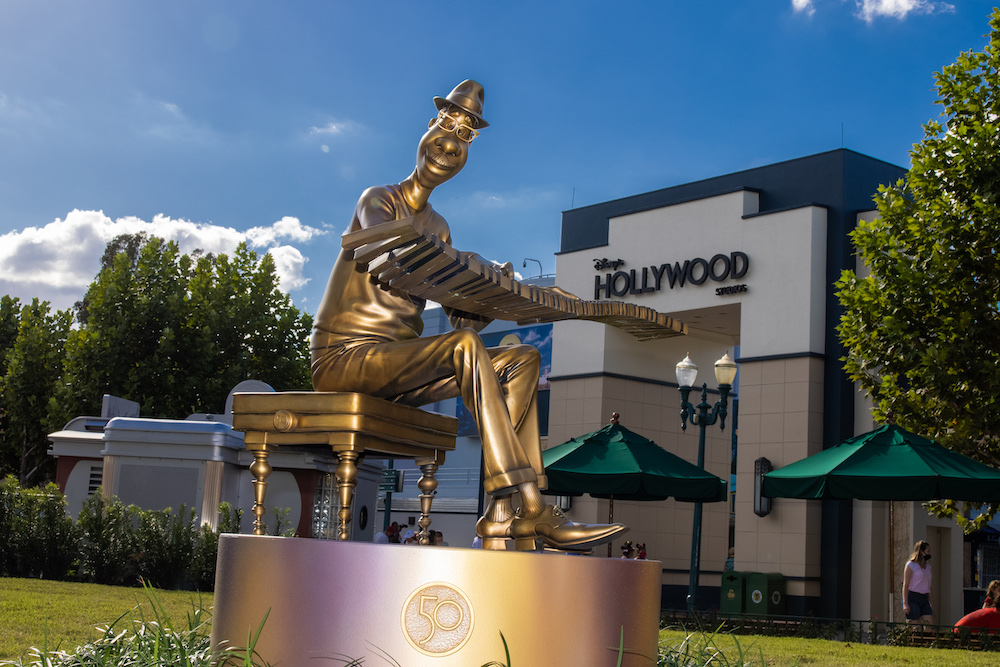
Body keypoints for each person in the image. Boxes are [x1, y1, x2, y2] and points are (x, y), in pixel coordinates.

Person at [310, 80, 626, 553]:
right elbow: (396, 253)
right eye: (446, 127)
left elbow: (463, 328)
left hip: (398, 366)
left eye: (464, 137)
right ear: (428, 127)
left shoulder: (438, 227)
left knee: (521, 360)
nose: (451, 144)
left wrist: (505, 296)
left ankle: (500, 516)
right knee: (464, 347)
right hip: (345, 358)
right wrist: (476, 267)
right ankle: (533, 504)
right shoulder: (378, 199)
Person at [902, 540, 933, 625]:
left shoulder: (928, 567)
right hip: (913, 597)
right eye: (928, 551)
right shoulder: (911, 565)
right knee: (914, 626)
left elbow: (929, 586)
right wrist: (905, 604)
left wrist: (931, 602)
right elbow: (906, 585)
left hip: (924, 598)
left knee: (930, 625)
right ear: (922, 552)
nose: (929, 553)